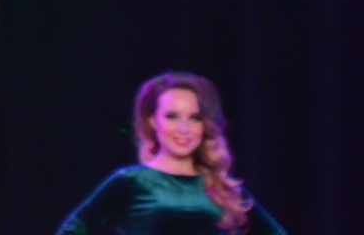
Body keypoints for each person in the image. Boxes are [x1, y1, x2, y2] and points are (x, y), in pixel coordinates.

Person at [55, 72, 288, 235]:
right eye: (172, 116)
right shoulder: (130, 182)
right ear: (152, 120)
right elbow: (74, 229)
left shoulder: (222, 190)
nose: (184, 129)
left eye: (194, 118)